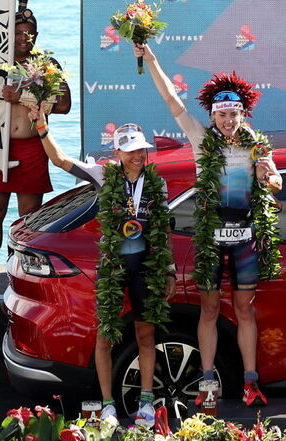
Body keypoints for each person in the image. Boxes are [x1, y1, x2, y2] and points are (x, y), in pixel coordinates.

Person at [134, 43, 282, 406]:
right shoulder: (201, 141)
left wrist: (267, 177)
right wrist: (151, 59)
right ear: (213, 117)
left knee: (245, 310)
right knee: (210, 310)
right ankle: (206, 383)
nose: (228, 120)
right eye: (222, 115)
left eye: (234, 114)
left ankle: (250, 381)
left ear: (242, 115)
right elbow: (173, 101)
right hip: (212, 238)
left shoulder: (256, 146)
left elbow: (276, 181)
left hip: (245, 235)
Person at [28, 107, 176, 426]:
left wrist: (170, 270)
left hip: (146, 269)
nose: (138, 155)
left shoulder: (156, 183)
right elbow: (61, 161)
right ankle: (108, 404)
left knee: (146, 335)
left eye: (142, 149)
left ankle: (147, 402)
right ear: (118, 151)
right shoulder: (103, 176)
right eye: (132, 150)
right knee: (104, 337)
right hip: (112, 269)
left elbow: (163, 230)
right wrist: (41, 127)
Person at [0, 8, 72, 300]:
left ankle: (23, 280)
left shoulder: (46, 64)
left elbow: (64, 105)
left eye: (28, 33)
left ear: (36, 35)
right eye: (17, 33)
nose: (23, 38)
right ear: (7, 34)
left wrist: (25, 95)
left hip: (32, 147)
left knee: (28, 221)